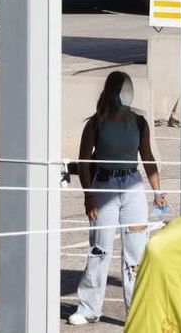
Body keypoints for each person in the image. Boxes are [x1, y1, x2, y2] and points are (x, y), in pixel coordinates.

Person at [68, 71, 163, 326]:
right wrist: (89, 196)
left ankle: (136, 309)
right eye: (121, 89)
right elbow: (84, 162)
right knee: (100, 249)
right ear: (112, 91)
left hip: (132, 186)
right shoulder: (95, 123)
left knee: (136, 251)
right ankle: (88, 308)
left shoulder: (139, 122)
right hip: (105, 186)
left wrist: (158, 191)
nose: (125, 94)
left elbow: (148, 156)